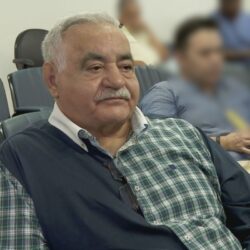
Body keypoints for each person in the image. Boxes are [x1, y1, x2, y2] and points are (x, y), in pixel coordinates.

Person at [0, 13, 250, 250]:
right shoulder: (21, 160)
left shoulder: (184, 133)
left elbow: (245, 214)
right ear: (53, 80)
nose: (117, 81)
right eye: (95, 68)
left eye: (126, 67)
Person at [141, 17, 250, 161]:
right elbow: (156, 144)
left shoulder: (233, 88)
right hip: (217, 171)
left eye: (219, 51)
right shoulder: (165, 92)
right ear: (181, 58)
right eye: (205, 53)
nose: (216, 59)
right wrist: (223, 143)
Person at [117, 0, 167, 65]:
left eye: (137, 15)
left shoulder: (144, 31)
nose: (135, 19)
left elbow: (164, 55)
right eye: (131, 15)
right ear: (121, 16)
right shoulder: (119, 34)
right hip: (143, 71)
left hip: (159, 68)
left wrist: (148, 30)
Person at [213, 0, 250, 67]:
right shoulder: (213, 21)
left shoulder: (247, 18)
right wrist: (244, 54)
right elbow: (214, 52)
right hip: (228, 66)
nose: (232, 4)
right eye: (229, 2)